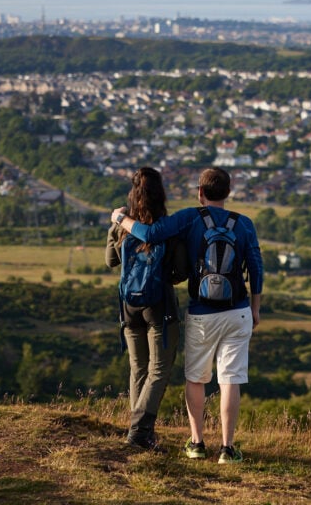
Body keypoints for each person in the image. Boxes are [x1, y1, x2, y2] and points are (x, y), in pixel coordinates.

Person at [111, 167, 263, 464]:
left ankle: (196, 443)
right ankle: (228, 449)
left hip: (201, 312)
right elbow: (256, 268)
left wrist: (119, 218)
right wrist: (255, 307)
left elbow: (150, 233)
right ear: (228, 193)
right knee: (230, 379)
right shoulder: (244, 224)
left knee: (196, 378)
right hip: (238, 311)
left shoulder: (190, 217)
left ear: (200, 192)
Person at [105, 166, 181, 450]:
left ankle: (136, 431)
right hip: (159, 306)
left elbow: (111, 261)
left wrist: (116, 224)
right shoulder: (166, 227)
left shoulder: (123, 223)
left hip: (128, 305)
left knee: (137, 368)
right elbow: (180, 271)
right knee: (159, 370)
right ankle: (139, 433)